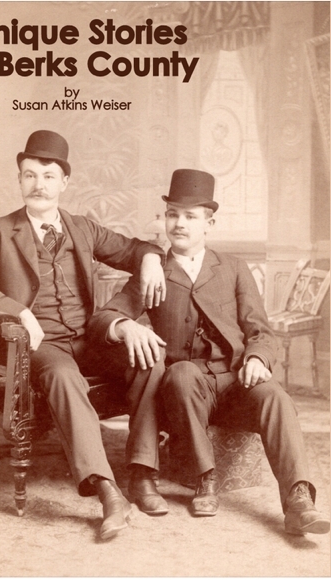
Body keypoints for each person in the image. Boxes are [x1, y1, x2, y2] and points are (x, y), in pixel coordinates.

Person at [0, 129, 169, 540]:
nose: (39, 185)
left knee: (149, 362)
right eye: (30, 175)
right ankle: (108, 492)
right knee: (63, 375)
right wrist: (18, 311)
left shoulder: (81, 227)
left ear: (64, 182)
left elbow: (134, 249)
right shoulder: (1, 231)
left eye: (49, 176)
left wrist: (152, 259)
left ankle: (142, 474)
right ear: (19, 180)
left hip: (89, 339)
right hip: (41, 346)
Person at [88, 168, 330, 536]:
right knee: (182, 373)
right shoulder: (154, 271)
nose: (179, 224)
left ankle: (298, 500)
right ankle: (205, 479)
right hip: (184, 393)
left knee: (276, 398)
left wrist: (256, 358)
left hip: (235, 380)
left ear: (209, 223)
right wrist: (126, 326)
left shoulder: (233, 268)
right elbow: (103, 318)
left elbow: (260, 330)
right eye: (173, 215)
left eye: (190, 216)